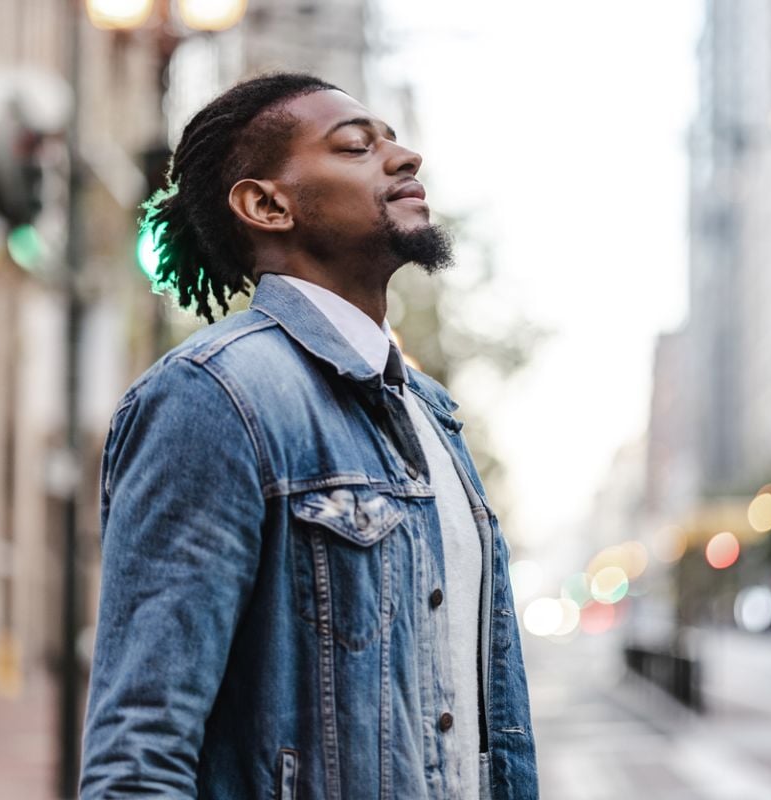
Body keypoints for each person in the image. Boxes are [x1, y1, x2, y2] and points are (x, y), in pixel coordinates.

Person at [79, 74, 537, 799]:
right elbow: (141, 753)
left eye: (393, 139)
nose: (405, 156)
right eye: (357, 146)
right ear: (267, 204)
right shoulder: (213, 396)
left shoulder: (430, 412)